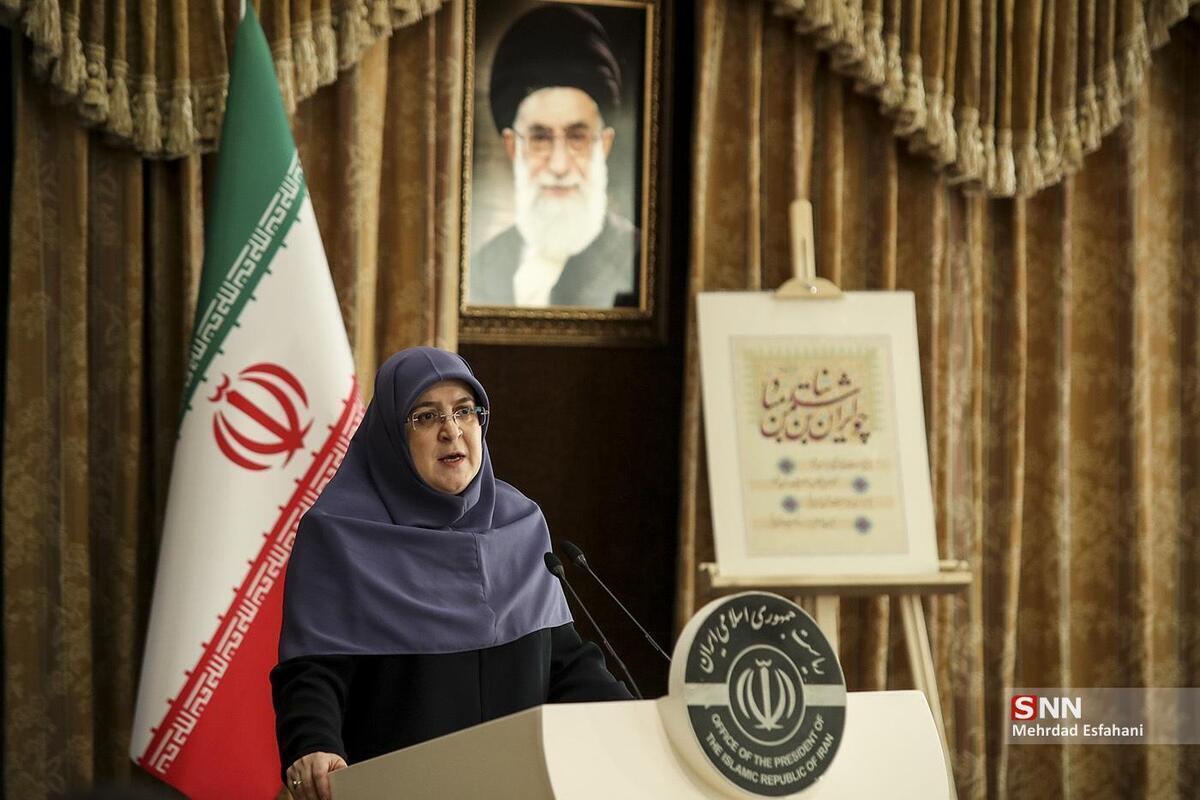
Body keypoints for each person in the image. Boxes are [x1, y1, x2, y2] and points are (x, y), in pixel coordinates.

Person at [272, 347, 631, 800]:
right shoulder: (339, 532)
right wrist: (314, 744)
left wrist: (639, 721)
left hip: (517, 785)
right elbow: (313, 669)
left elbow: (562, 661)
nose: (451, 430)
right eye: (425, 417)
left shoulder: (520, 524)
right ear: (390, 434)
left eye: (465, 411)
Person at [470, 5, 639, 309]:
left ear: (604, 145)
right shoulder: (480, 267)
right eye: (540, 138)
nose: (559, 166)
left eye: (577, 138)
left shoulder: (637, 258)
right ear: (512, 147)